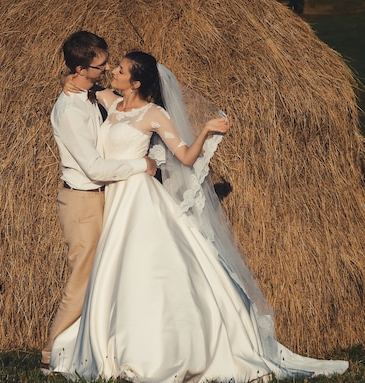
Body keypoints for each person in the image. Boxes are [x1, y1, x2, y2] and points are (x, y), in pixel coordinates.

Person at [50, 51, 349, 382]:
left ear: (135, 83)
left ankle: (153, 349)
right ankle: (112, 343)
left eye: (119, 70)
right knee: (114, 268)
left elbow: (186, 157)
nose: (112, 73)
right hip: (116, 198)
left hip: (140, 198)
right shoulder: (109, 99)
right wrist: (67, 79)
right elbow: (79, 88)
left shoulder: (155, 114)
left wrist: (206, 131)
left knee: (144, 268)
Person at [41, 33, 157, 374]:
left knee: (104, 275)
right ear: (81, 68)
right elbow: (93, 168)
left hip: (102, 199)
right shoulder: (70, 112)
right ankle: (49, 356)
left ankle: (96, 348)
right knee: (82, 281)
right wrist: (142, 164)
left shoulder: (87, 95)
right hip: (83, 202)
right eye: (101, 65)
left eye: (108, 63)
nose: (107, 69)